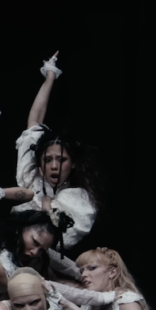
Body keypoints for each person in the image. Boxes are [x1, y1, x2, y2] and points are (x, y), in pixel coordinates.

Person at [12, 52, 103, 249]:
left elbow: (60, 241)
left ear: (73, 163)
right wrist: (50, 77)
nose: (54, 166)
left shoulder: (79, 200)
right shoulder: (31, 179)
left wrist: (48, 208)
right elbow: (34, 121)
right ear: (40, 164)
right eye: (48, 160)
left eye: (61, 160)